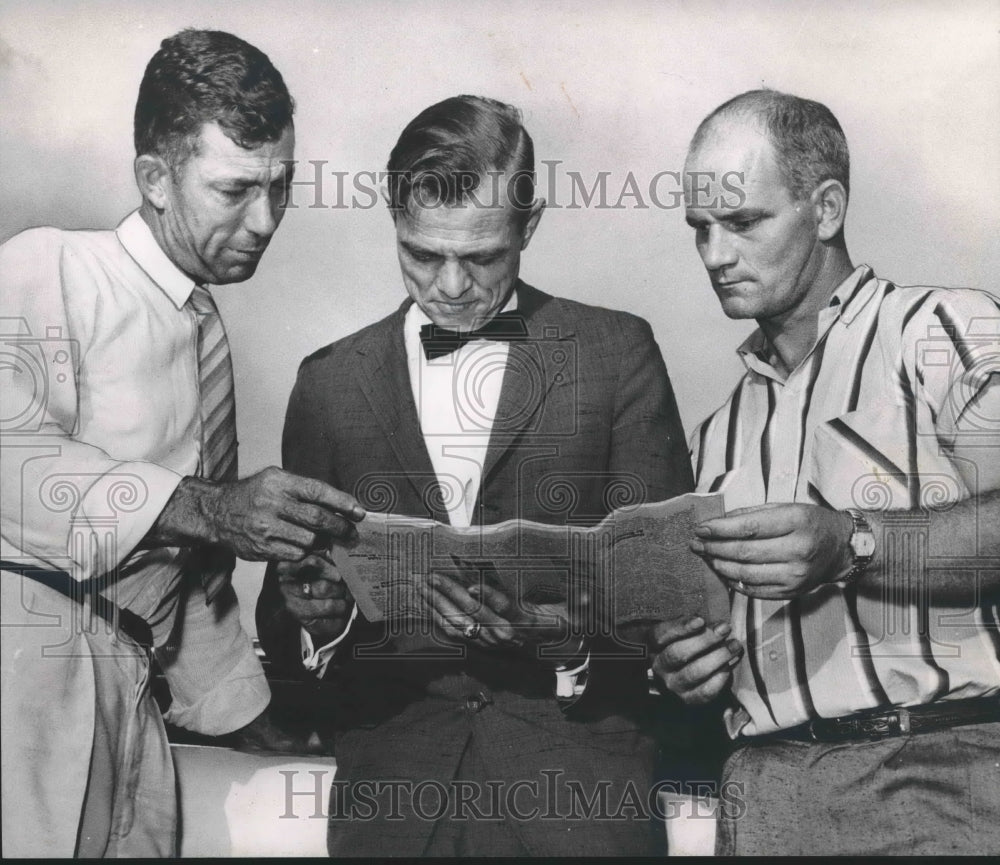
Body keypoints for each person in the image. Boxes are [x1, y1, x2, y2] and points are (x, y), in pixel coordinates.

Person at [256, 94, 696, 856]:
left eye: (483, 257)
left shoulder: (618, 353)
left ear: (530, 225)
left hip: (580, 802)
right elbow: (281, 618)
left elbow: (669, 595)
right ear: (394, 219)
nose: (451, 286)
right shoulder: (326, 383)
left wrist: (560, 635)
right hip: (393, 809)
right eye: (422, 254)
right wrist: (320, 622)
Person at [0, 29, 363, 857]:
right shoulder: (49, 266)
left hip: (135, 696)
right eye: (234, 189)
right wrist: (209, 506)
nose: (265, 220)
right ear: (155, 179)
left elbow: (195, 585)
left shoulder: (206, 337)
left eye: (280, 188)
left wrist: (259, 723)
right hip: (21, 669)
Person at [652, 89, 1000, 855]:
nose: (714, 254)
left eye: (742, 222)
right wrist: (685, 671)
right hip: (761, 794)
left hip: (939, 774)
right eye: (699, 229)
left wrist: (852, 542)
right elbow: (707, 651)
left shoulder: (942, 329)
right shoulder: (714, 436)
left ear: (828, 207)